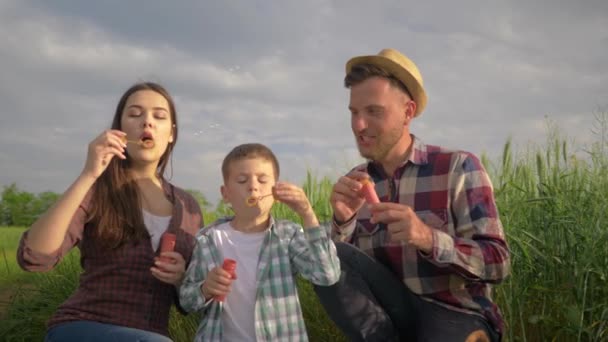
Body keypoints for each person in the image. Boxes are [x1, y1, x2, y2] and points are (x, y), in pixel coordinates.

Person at [314, 48, 511, 342]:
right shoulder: (356, 183)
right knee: (330, 258)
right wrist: (343, 222)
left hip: (455, 313)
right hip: (388, 320)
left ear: (408, 112)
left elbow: (498, 263)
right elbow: (346, 279)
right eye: (354, 112)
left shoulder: (458, 168)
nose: (358, 125)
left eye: (373, 111)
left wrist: (427, 238)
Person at [17, 82, 203, 341]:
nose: (147, 123)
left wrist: (180, 278)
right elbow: (35, 257)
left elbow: (187, 302)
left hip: (151, 334)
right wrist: (89, 174)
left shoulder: (188, 207)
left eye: (159, 116)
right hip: (82, 326)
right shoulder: (97, 189)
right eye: (135, 114)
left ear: (171, 133)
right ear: (120, 131)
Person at [179, 143, 340, 341]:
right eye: (242, 180)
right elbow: (186, 300)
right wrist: (205, 289)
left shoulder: (287, 236)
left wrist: (307, 213)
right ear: (225, 194)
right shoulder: (208, 240)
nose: (253, 186)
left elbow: (327, 275)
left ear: (276, 192)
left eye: (263, 180)